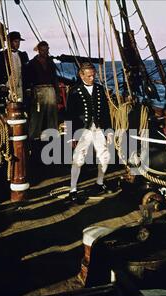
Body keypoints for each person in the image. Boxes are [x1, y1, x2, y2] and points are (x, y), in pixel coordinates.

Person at [66, 62, 114, 203]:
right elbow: (69, 115)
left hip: (98, 128)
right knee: (78, 160)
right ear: (81, 75)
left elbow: (105, 112)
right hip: (82, 130)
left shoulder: (99, 89)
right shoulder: (74, 91)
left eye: (93, 75)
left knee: (105, 157)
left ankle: (99, 183)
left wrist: (109, 131)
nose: (92, 78)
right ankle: (73, 189)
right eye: (89, 76)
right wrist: (70, 137)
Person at [27, 41, 59, 140]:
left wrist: (57, 92)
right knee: (37, 113)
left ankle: (52, 134)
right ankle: (34, 136)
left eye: (46, 50)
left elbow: (55, 78)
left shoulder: (50, 62)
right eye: (43, 50)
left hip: (50, 89)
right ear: (38, 50)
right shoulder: (32, 63)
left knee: (52, 113)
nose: (45, 52)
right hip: (38, 90)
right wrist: (30, 91)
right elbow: (28, 78)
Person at [0, 31, 29, 103]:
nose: (18, 44)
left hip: (20, 87)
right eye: (15, 41)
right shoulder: (3, 55)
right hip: (8, 86)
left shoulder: (23, 55)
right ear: (10, 42)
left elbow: (27, 72)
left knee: (20, 107)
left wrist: (28, 87)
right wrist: (1, 85)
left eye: (19, 42)